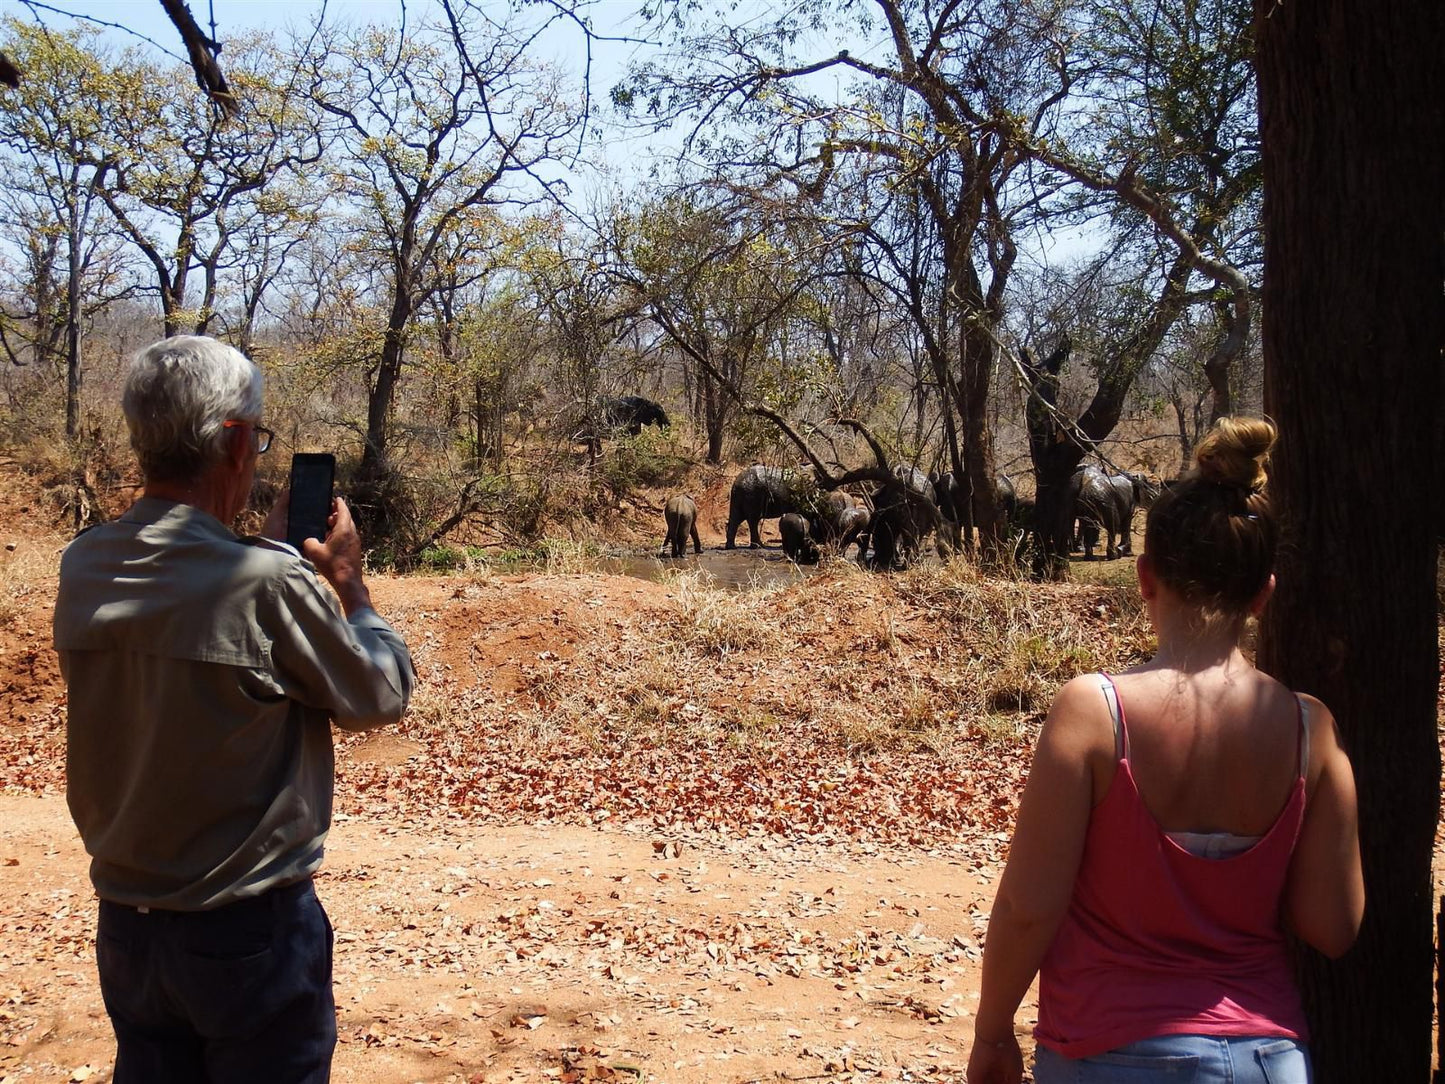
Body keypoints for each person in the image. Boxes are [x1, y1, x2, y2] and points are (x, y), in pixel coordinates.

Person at [53, 335, 416, 1083]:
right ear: (238, 440)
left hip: (127, 924)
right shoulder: (269, 583)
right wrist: (347, 584)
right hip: (247, 932)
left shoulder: (82, 563)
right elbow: (378, 695)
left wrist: (264, 553)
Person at [966, 417, 1363, 1084]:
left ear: (1145, 578)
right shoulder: (1308, 730)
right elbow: (1332, 925)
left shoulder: (1092, 714)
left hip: (1106, 1052)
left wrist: (991, 1032)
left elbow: (1028, 906)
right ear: (1264, 593)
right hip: (1268, 1060)